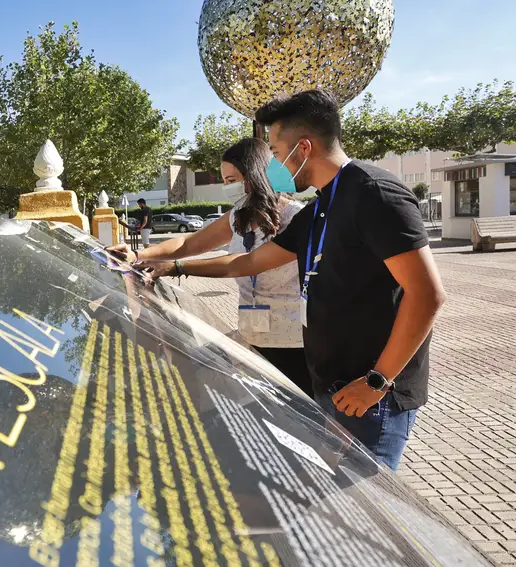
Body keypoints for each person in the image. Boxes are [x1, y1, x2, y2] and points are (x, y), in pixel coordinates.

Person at [161, 90, 446, 471]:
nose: (274, 165)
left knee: (361, 509)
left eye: (277, 153)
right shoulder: (322, 207)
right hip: (332, 388)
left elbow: (426, 294)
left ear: (304, 148)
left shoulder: (374, 194)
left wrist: (377, 382)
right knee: (332, 501)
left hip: (372, 396)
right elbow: (245, 262)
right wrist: (177, 268)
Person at [108, 138, 311, 396]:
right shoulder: (240, 214)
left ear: (256, 174)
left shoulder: (296, 218)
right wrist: (138, 253)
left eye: (231, 180)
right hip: (252, 338)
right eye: (224, 181)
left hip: (294, 345)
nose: (228, 187)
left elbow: (243, 265)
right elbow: (188, 242)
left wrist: (179, 267)